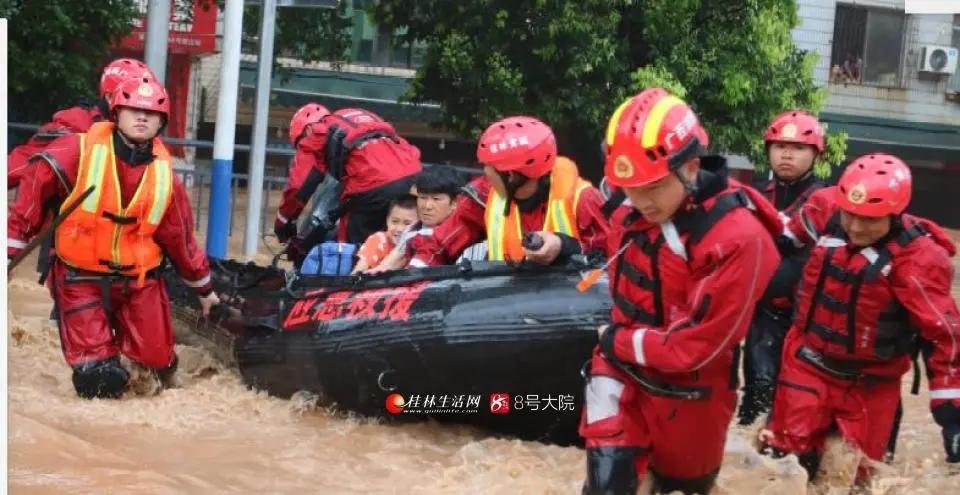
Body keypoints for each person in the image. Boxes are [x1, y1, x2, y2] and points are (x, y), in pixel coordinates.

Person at [579, 88, 782, 494]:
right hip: (620, 370)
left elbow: (699, 346)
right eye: (629, 187)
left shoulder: (740, 239)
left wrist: (619, 341)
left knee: (681, 488)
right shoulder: (627, 207)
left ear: (690, 168)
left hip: (691, 389)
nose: (639, 201)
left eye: (652, 187)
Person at [7, 76, 220, 400]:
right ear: (116, 112)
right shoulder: (73, 152)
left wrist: (205, 292)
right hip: (79, 279)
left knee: (158, 370)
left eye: (150, 113)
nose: (141, 117)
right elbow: (27, 208)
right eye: (133, 109)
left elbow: (182, 242)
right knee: (99, 379)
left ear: (161, 122)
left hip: (139, 282)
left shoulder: (167, 179)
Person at [762, 153, 960, 481]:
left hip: (870, 384)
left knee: (859, 478)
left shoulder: (919, 261)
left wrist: (952, 412)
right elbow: (781, 233)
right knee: (783, 469)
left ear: (895, 214)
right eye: (850, 215)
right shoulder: (823, 208)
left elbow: (946, 337)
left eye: (869, 220)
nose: (854, 227)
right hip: (806, 365)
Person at [406, 116, 609, 267]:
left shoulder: (583, 200)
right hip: (506, 307)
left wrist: (564, 246)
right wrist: (415, 271)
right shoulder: (485, 193)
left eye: (488, 167)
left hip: (568, 311)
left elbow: (611, 259)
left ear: (511, 176)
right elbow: (439, 244)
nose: (484, 174)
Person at [739, 110, 828, 425]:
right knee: (757, 397)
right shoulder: (753, 196)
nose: (786, 153)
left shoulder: (829, 203)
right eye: (779, 146)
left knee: (801, 405)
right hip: (764, 313)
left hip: (810, 320)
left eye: (798, 147)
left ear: (816, 154)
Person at [273, 107, 422, 253]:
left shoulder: (318, 132)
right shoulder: (361, 117)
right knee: (407, 242)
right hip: (414, 177)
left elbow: (300, 185)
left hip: (373, 184)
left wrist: (284, 221)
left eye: (300, 145)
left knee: (349, 251)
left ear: (308, 129)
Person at [9, 58, 156, 190]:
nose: (141, 111)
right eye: (131, 98)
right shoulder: (77, 124)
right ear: (110, 97)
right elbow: (23, 164)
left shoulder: (145, 138)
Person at [365, 165, 464, 272]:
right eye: (422, 197)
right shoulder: (412, 229)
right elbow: (390, 264)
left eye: (436, 199)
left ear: (454, 203)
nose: (427, 206)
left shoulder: (464, 234)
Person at [352, 196, 419, 274]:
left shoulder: (419, 244)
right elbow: (356, 273)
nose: (399, 229)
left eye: (407, 224)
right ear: (387, 220)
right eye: (394, 221)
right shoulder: (379, 239)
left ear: (419, 224)